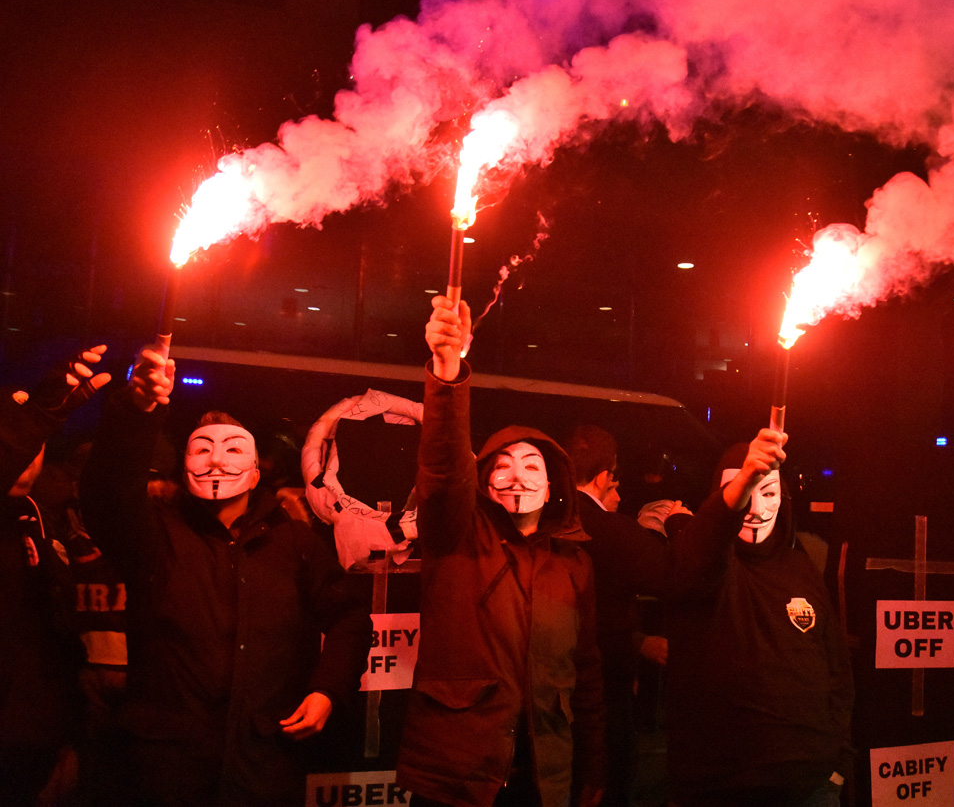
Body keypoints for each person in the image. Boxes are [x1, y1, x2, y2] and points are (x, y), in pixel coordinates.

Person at [78, 346, 372, 806]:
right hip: (164, 772)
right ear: (184, 464)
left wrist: (327, 690)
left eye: (233, 450)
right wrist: (137, 410)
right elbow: (108, 490)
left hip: (264, 766)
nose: (217, 462)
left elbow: (350, 616)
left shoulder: (293, 545)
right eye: (203, 449)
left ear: (256, 474)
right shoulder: (153, 536)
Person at [397, 297, 605, 807]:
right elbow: (444, 470)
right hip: (457, 778)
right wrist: (448, 376)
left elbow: (588, 674)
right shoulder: (456, 537)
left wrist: (593, 771)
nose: (517, 476)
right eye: (502, 466)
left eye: (533, 466)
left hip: (541, 778)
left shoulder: (573, 563)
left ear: (554, 484)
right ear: (485, 484)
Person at [662, 432, 854, 807]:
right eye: (742, 490)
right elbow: (704, 549)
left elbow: (836, 666)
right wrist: (743, 479)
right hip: (721, 788)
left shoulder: (800, 565)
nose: (755, 507)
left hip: (813, 783)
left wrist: (838, 760)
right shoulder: (697, 564)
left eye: (768, 492)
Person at [1, 345, 111, 806]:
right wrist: (41, 413)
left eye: (39, 447)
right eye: (19, 446)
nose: (30, 458)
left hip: (42, 737)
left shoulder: (41, 521)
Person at [563, 424, 682, 807]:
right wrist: (677, 524)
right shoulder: (614, 531)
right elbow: (674, 574)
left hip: (550, 683)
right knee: (610, 781)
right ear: (602, 477)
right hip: (606, 684)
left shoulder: (547, 521)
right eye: (614, 480)